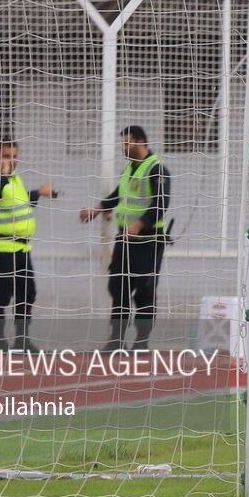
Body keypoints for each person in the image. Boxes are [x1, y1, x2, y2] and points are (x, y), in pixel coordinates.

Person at [80, 125, 172, 352]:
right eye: (123, 143)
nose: (124, 147)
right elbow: (118, 195)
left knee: (145, 292)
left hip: (149, 241)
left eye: (127, 143)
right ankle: (116, 339)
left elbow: (161, 203)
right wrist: (97, 209)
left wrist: (139, 225)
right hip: (125, 241)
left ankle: (141, 342)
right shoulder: (129, 169)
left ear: (141, 142)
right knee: (117, 287)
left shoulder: (156, 169)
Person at [0, 139, 58, 353]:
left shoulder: (14, 180)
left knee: (27, 293)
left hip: (22, 249)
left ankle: (22, 340)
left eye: (14, 156)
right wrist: (2, 172)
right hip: (0, 249)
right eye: (6, 156)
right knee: (1, 294)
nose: (12, 161)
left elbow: (19, 202)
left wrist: (39, 193)